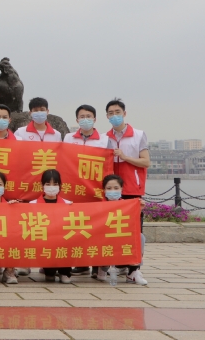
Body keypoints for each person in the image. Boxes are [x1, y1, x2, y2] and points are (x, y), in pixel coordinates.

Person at [105, 99, 150, 286]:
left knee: (134, 230)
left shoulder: (138, 135)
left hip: (132, 189)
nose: (114, 116)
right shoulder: (105, 137)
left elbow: (146, 161)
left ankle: (134, 270)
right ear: (107, 116)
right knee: (113, 229)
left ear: (124, 113)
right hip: (111, 191)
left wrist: (124, 157)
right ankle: (118, 264)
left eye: (117, 112)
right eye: (110, 113)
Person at [64, 104, 110, 276]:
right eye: (82, 117)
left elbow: (107, 166)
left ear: (95, 119)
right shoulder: (68, 138)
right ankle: (81, 264)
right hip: (74, 191)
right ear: (77, 120)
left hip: (95, 191)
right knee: (76, 227)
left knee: (95, 228)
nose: (85, 119)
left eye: (89, 116)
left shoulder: (104, 140)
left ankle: (97, 265)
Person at [30, 169, 72, 284]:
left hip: (62, 243)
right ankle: (48, 269)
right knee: (50, 278)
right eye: (48, 184)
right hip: (44, 244)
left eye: (55, 184)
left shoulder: (69, 204)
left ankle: (65, 271)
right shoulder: (32, 204)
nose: (51, 187)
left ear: (60, 185)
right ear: (42, 185)